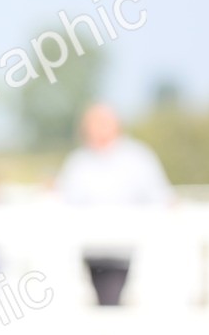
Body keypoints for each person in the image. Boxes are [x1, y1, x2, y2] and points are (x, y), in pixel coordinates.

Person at [56, 103, 172, 309]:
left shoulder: (138, 158)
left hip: (130, 254)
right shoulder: (78, 163)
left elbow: (162, 200)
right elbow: (63, 205)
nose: (98, 128)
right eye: (93, 123)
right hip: (89, 254)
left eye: (103, 122)